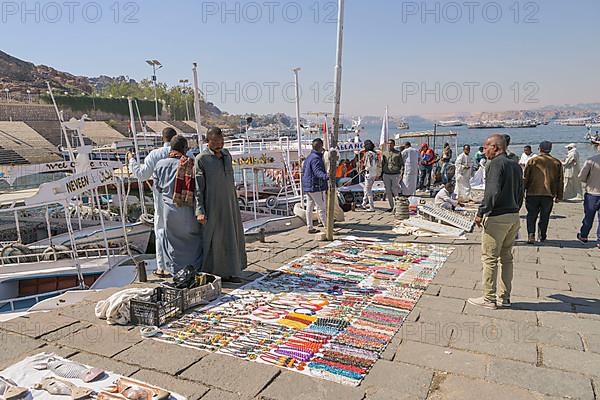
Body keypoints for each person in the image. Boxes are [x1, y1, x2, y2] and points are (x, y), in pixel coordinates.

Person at [469, 134, 524, 309]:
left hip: (497, 217)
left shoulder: (494, 164)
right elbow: (521, 191)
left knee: (490, 259)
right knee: (506, 258)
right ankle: (505, 297)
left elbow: (491, 192)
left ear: (496, 147)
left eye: (486, 147)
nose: (484, 151)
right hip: (513, 216)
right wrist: (515, 209)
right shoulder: (515, 165)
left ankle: (489, 299)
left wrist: (481, 212)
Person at [195, 127, 247, 283]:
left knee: (232, 237)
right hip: (213, 206)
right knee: (216, 240)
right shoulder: (201, 159)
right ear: (207, 141)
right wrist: (200, 211)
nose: (219, 145)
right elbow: (198, 188)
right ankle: (216, 274)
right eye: (215, 142)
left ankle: (233, 270)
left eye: (221, 141)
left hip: (230, 205)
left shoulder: (226, 155)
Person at [127, 127, 177, 277]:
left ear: (163, 138)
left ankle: (162, 267)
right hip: (181, 197)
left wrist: (131, 160)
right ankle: (178, 263)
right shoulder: (185, 154)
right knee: (179, 230)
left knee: (161, 230)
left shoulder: (155, 155)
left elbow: (141, 175)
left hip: (161, 197)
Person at [153, 135, 203, 275]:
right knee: (193, 243)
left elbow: (158, 188)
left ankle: (177, 275)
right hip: (188, 211)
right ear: (185, 149)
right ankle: (194, 273)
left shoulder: (159, 164)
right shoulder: (191, 164)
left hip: (169, 212)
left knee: (172, 244)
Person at [523, 141, 563, 244]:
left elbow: (525, 177)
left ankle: (531, 235)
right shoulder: (556, 162)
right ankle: (542, 235)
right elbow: (560, 181)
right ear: (550, 149)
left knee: (531, 215)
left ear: (540, 148)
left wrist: (522, 191)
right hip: (548, 193)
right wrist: (559, 195)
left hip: (532, 192)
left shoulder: (533, 161)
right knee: (545, 216)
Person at [302, 138, 329, 233]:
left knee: (309, 207)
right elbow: (317, 172)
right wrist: (327, 177)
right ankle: (328, 228)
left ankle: (310, 227)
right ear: (321, 146)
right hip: (316, 186)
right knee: (321, 207)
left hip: (308, 185)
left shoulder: (309, 157)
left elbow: (304, 171)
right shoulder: (316, 159)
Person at [576, 144, 600, 248]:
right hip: (593, 193)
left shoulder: (591, 160)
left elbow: (581, 177)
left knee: (589, 216)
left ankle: (584, 235)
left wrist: (589, 181)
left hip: (592, 193)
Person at [381, 139, 404, 212]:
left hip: (395, 174)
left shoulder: (398, 153)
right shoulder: (384, 153)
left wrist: (402, 173)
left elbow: (401, 164)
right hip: (386, 174)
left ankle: (397, 206)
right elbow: (382, 164)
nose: (389, 145)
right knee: (388, 191)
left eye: (391, 144)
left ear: (394, 144)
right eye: (388, 144)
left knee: (395, 190)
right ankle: (392, 206)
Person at [361, 140, 378, 212]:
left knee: (368, 190)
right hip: (374, 173)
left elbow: (368, 165)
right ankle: (364, 203)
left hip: (369, 173)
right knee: (366, 189)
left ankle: (371, 206)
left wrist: (364, 169)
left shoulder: (368, 154)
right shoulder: (375, 154)